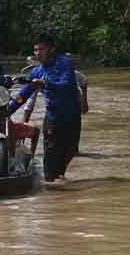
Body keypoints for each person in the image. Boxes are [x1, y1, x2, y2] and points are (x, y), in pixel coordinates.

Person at [9, 34, 81, 182]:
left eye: (41, 49)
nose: (37, 53)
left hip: (72, 116)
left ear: (52, 49)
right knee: (50, 157)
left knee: (71, 151)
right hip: (52, 119)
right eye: (35, 50)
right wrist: (7, 110)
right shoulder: (37, 71)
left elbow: (66, 85)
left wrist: (46, 84)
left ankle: (58, 178)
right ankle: (51, 185)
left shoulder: (65, 63)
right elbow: (24, 95)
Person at [23, 62, 88, 154]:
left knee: (73, 149)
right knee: (52, 145)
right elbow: (29, 104)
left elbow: (84, 81)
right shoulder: (36, 80)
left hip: (72, 104)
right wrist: (24, 125)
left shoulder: (70, 73)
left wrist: (84, 102)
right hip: (54, 109)